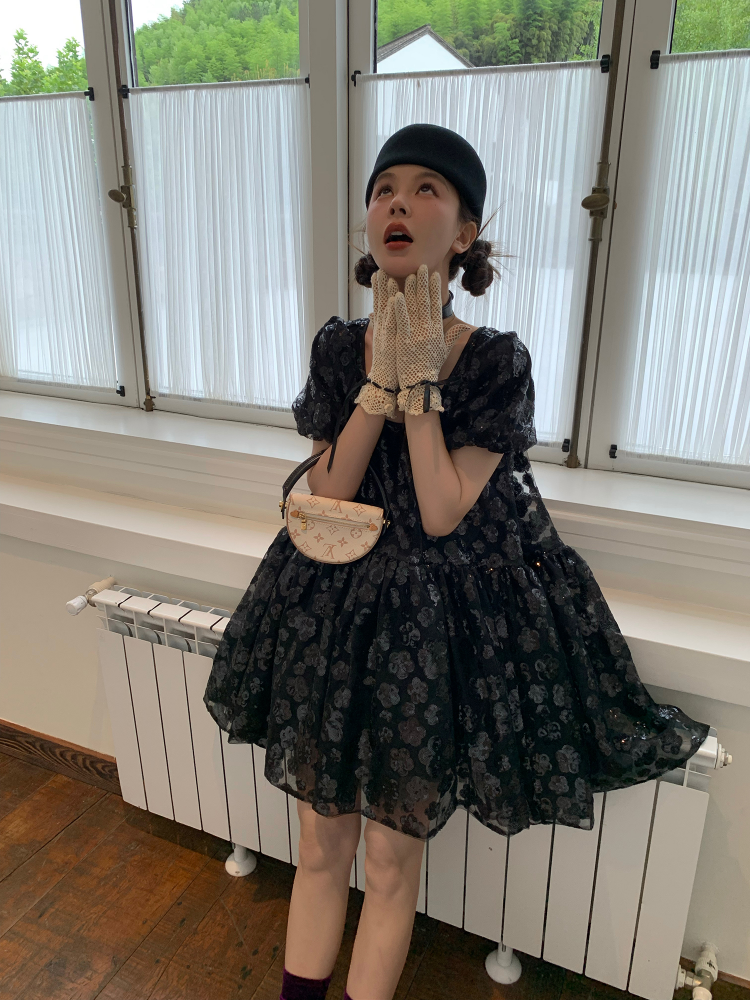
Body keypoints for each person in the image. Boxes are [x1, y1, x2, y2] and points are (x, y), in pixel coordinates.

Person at [203, 124, 711, 1000]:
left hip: (429, 632)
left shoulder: (496, 360)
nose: (397, 202)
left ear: (465, 232)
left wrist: (420, 384)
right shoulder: (338, 347)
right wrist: (377, 384)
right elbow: (331, 489)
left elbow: (441, 512)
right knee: (320, 845)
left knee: (390, 862)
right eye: (383, 189)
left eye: (426, 189)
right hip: (333, 610)